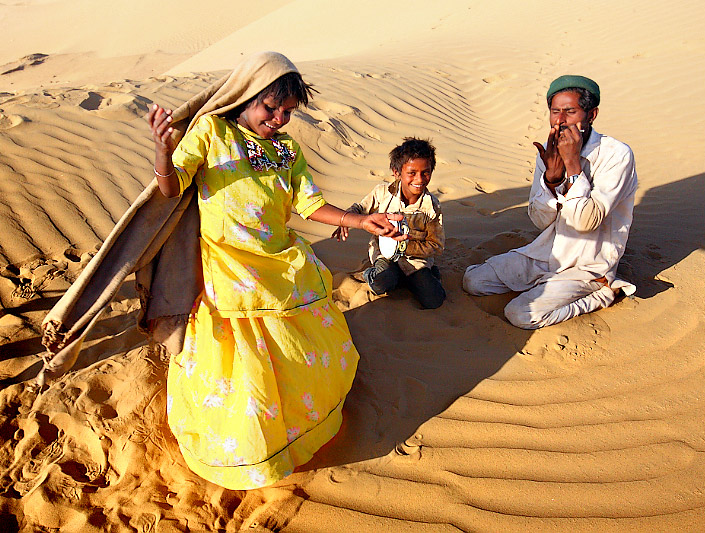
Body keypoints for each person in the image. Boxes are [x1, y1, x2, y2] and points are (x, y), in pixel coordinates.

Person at [147, 51, 405, 490]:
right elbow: (171, 190)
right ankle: (246, 455)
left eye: (287, 112)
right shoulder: (212, 132)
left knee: (295, 355)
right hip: (228, 274)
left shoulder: (288, 151)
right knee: (244, 373)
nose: (280, 119)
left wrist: (359, 221)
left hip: (281, 266)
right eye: (271, 107)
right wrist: (162, 151)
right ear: (247, 96)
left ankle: (302, 429)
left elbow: (310, 204)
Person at [462, 75, 637, 329]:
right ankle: (546, 284)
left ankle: (601, 294)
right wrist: (552, 179)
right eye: (555, 111)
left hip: (589, 264)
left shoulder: (617, 154)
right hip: (547, 254)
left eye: (570, 111)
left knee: (520, 314)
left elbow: (586, 222)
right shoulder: (548, 150)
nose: (560, 120)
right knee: (474, 282)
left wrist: (573, 165)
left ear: (591, 115)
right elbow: (540, 221)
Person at [332, 138, 446, 309]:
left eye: (425, 172)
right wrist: (346, 218)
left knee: (434, 300)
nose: (419, 179)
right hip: (384, 255)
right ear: (397, 172)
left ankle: (419, 277)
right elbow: (360, 208)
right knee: (382, 283)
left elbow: (436, 246)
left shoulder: (431, 206)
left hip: (416, 261)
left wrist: (404, 247)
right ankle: (374, 274)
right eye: (412, 173)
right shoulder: (382, 193)